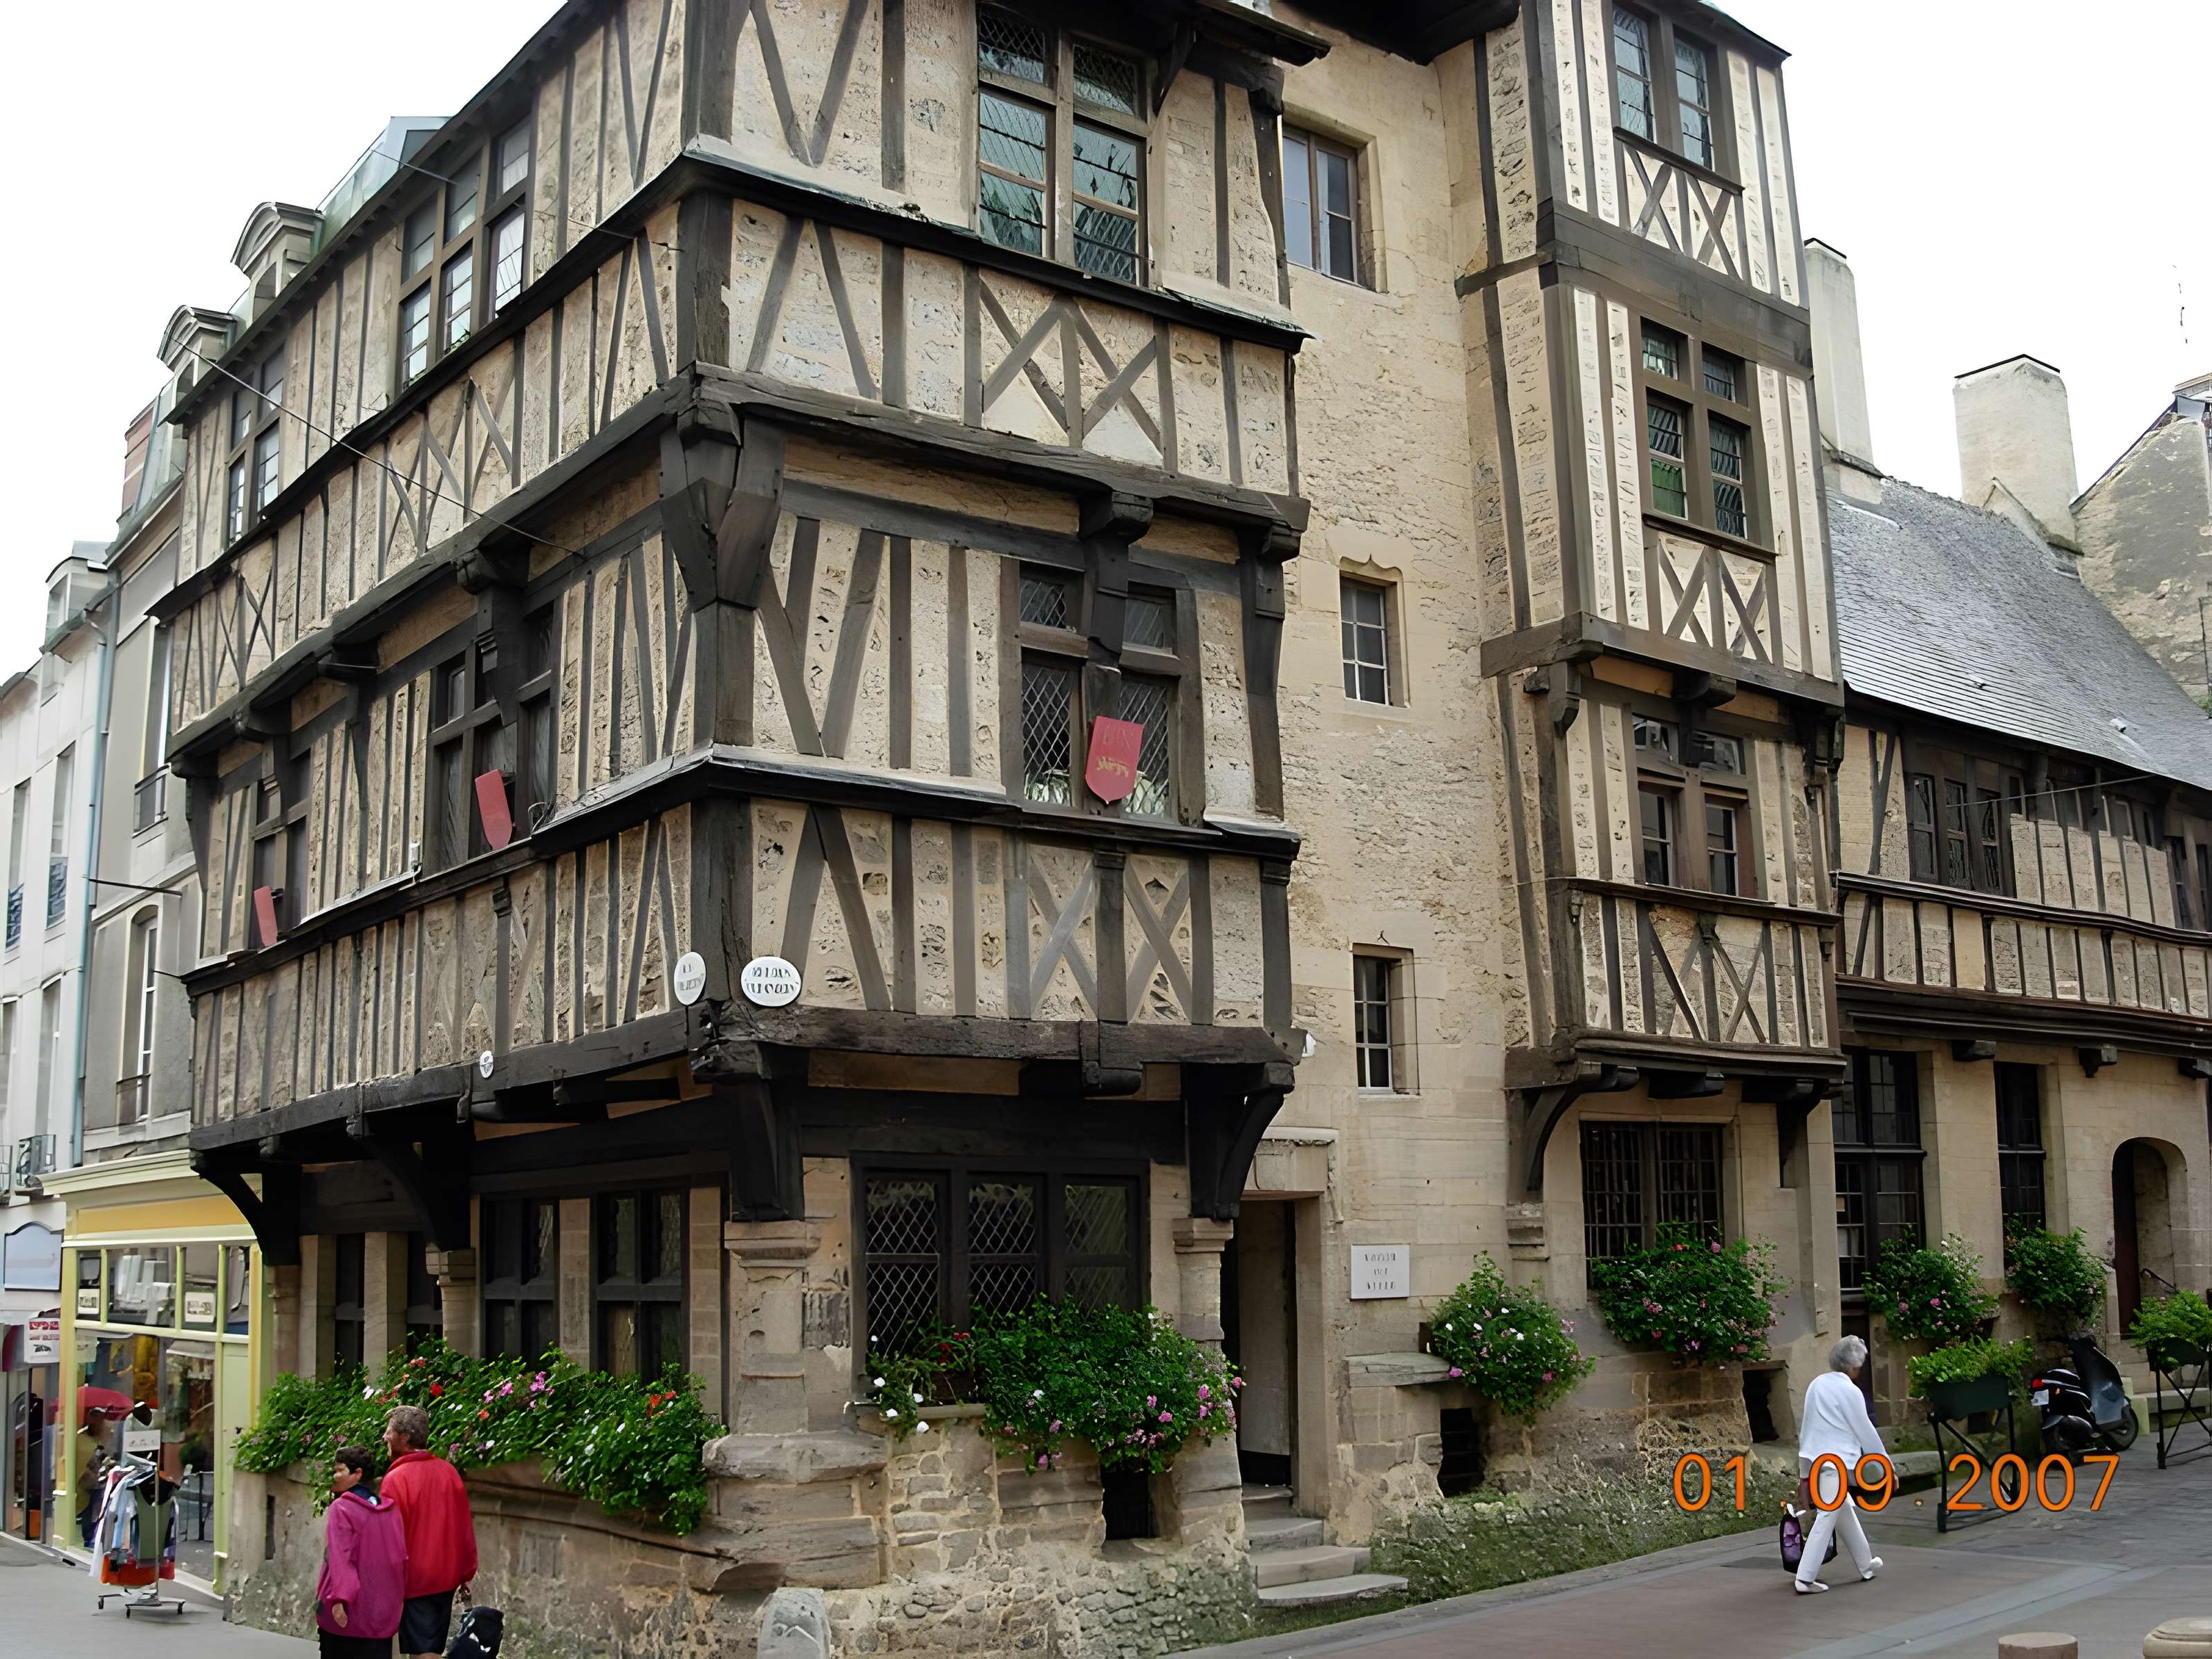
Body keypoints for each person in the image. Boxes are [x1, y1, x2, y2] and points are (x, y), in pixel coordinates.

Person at [379, 1405, 478, 1658]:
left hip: (415, 1578)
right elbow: (464, 1528)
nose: (384, 1437)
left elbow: (390, 1539)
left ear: (404, 1437)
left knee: (422, 1652)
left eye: (389, 1431)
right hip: (446, 1577)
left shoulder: (396, 1479)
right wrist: (465, 1572)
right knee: (430, 1646)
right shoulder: (448, 1472)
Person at [1793, 1335, 1886, 1594]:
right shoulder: (1851, 1391)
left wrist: (1804, 1474)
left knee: (1842, 1510)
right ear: (1855, 1367)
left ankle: (1866, 1564)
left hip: (1817, 1461)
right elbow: (1865, 1430)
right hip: (1836, 1465)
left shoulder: (1816, 1385)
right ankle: (1805, 1577)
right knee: (1828, 1516)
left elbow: (1807, 1428)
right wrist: (1884, 1465)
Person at [316, 1446, 406, 1657]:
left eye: (340, 1470)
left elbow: (341, 1556)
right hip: (381, 1613)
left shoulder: (342, 1508)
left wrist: (340, 1599)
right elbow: (399, 1558)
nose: (334, 1476)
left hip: (349, 1615)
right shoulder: (389, 1509)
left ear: (357, 1474)